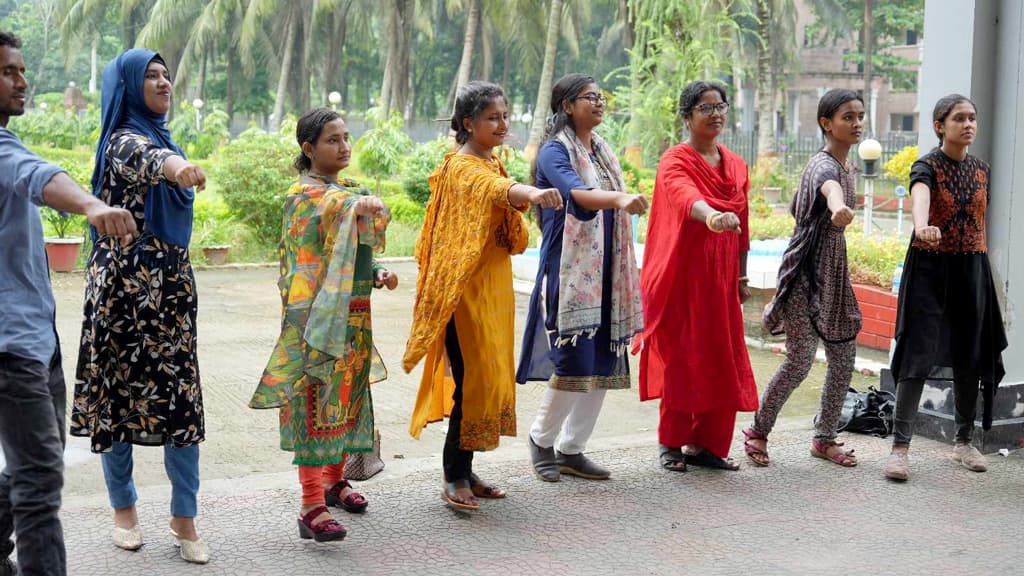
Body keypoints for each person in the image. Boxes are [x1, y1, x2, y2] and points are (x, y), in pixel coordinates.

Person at [0, 31, 136, 576]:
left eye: (22, 70)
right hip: (15, 348)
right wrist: (93, 205)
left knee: (37, 463)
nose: (23, 81)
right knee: (39, 484)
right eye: (9, 72)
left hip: (35, 339)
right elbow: (38, 176)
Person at [69, 48, 210, 564]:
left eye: (166, 74)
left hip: (170, 295)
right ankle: (123, 510)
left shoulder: (161, 135)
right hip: (123, 296)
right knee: (119, 402)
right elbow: (152, 162)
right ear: (129, 87)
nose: (163, 82)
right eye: (150, 76)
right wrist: (180, 169)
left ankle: (184, 516)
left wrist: (177, 163)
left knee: (182, 404)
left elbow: (164, 156)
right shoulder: (124, 140)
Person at [404, 81, 563, 510]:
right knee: (473, 381)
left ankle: (467, 470)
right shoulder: (463, 167)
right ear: (468, 123)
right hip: (463, 291)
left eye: (505, 116)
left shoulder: (490, 161)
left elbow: (499, 200)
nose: (503, 124)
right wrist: (531, 193)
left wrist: (520, 193)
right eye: (493, 117)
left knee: (488, 377)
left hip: (492, 286)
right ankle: (453, 475)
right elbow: (494, 192)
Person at [250, 108, 395, 542]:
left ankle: (335, 482)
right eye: (333, 139)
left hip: (354, 317)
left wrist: (378, 272)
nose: (344, 146)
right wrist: (357, 203)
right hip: (315, 322)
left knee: (347, 400)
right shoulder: (303, 195)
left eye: (347, 137)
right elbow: (312, 253)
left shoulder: (349, 191)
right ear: (309, 148)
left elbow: (355, 251)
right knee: (315, 404)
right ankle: (310, 505)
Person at [517, 73, 647, 482]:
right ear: (567, 106)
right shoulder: (554, 153)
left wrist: (620, 201)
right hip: (572, 271)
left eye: (601, 97)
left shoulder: (603, 150)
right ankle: (541, 439)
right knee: (574, 361)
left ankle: (572, 449)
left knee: (605, 360)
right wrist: (620, 199)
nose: (599, 103)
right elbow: (575, 195)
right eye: (589, 97)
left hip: (609, 270)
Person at [636, 80, 758, 473]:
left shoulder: (736, 164)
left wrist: (741, 277)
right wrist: (712, 217)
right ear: (687, 116)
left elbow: (745, 224)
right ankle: (672, 443)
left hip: (721, 279)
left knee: (723, 357)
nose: (716, 113)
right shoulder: (676, 159)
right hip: (683, 277)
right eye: (705, 108)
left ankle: (708, 445)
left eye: (720, 106)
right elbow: (684, 195)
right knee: (684, 358)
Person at [884, 95, 1006, 481]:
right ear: (939, 125)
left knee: (970, 352)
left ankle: (963, 442)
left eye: (972, 117)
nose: (968, 124)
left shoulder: (982, 170)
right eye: (959, 118)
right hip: (931, 268)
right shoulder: (927, 166)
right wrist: (922, 225)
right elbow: (920, 193)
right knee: (917, 354)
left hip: (971, 268)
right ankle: (900, 450)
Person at [744, 89, 864, 468]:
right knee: (799, 360)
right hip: (806, 275)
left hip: (834, 273)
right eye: (848, 117)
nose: (857, 123)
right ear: (827, 123)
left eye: (860, 116)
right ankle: (758, 432)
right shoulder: (823, 167)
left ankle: (824, 438)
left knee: (844, 356)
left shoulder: (848, 166)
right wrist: (838, 205)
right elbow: (827, 188)